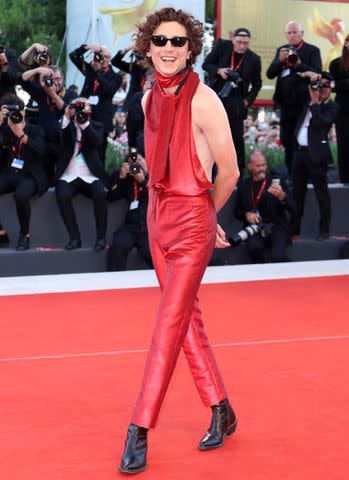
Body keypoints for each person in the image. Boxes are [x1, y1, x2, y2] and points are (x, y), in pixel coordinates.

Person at [118, 7, 240, 475]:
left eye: (178, 42)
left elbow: (228, 172)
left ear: (192, 48)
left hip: (191, 221)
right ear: (148, 47)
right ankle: (221, 407)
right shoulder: (150, 98)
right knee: (187, 321)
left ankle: (138, 429)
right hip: (157, 218)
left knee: (167, 324)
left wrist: (209, 218)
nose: (169, 49)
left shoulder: (205, 100)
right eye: (161, 41)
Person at [202, 27, 262, 172]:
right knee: (213, 136)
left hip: (237, 101)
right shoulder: (223, 47)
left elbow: (257, 83)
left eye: (245, 43)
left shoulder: (254, 59)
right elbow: (206, 65)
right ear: (233, 39)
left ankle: (237, 172)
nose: (242, 46)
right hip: (217, 98)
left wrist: (248, 101)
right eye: (239, 42)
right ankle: (212, 170)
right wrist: (219, 71)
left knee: (235, 138)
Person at [266, 21, 322, 174]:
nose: (292, 35)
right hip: (285, 103)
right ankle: (290, 172)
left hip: (303, 103)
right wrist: (280, 61)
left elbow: (318, 73)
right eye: (289, 33)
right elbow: (270, 74)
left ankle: (302, 172)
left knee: (299, 138)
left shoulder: (312, 50)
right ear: (286, 35)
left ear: (302, 33)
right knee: (286, 138)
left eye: (295, 32)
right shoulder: (281, 50)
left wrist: (299, 64)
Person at [55, 98, 110, 251]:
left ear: (89, 109)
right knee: (62, 195)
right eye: (76, 105)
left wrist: (84, 123)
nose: (79, 109)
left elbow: (96, 142)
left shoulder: (97, 125)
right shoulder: (66, 125)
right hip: (68, 174)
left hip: (90, 175)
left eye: (83, 105)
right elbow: (59, 136)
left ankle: (101, 238)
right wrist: (67, 116)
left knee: (100, 194)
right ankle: (74, 238)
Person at [289, 73, 338, 239]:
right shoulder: (307, 101)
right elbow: (295, 86)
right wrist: (308, 77)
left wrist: (316, 102)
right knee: (297, 194)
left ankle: (324, 231)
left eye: (326, 86)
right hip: (300, 153)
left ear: (330, 88)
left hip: (316, 156)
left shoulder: (332, 106)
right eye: (319, 85)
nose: (322, 89)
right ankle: (294, 229)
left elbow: (321, 123)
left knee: (321, 195)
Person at [0, 93, 47, 250]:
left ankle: (24, 235)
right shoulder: (5, 129)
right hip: (10, 172)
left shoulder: (36, 130)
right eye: (11, 113)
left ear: (24, 112)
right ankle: (1, 232)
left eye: (18, 112)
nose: (16, 116)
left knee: (21, 195)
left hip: (30, 174)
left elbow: (41, 151)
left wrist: (21, 134)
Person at [235, 149, 293, 263]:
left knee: (279, 257)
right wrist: (247, 215)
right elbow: (237, 211)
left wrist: (282, 196)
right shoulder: (243, 185)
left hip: (277, 225)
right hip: (255, 227)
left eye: (264, 165)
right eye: (258, 165)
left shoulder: (277, 182)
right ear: (249, 166)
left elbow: (293, 208)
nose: (261, 168)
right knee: (254, 248)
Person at [69, 44, 121, 164]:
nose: (103, 59)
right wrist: (87, 47)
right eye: (101, 55)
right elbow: (73, 56)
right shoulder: (90, 69)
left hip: (103, 118)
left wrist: (98, 71)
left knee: (100, 151)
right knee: (83, 148)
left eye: (107, 57)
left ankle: (99, 178)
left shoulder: (116, 77)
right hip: (86, 114)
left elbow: (108, 90)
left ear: (110, 58)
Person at [107, 153, 152, 271]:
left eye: (140, 159)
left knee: (151, 251)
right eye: (133, 162)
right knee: (119, 245)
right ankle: (115, 282)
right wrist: (121, 177)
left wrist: (143, 180)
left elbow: (157, 196)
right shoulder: (128, 182)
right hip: (130, 227)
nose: (138, 163)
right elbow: (112, 197)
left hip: (150, 228)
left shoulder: (155, 177)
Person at [329, 34, 349, 183]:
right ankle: (345, 178)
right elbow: (332, 85)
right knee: (344, 145)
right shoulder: (336, 64)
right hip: (343, 111)